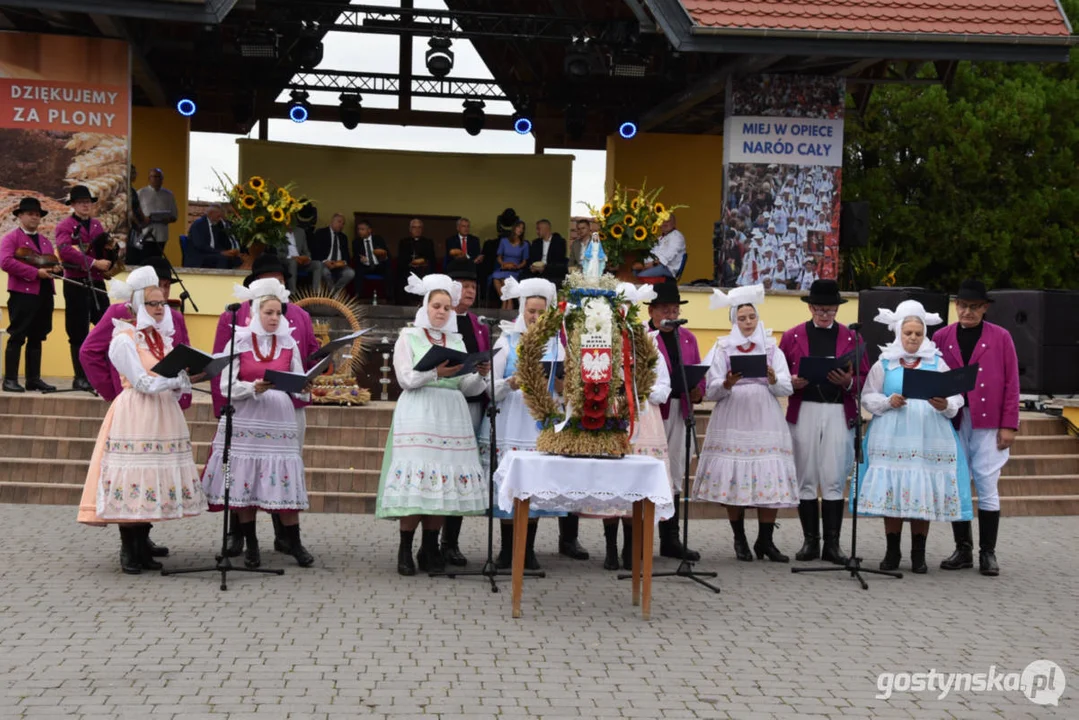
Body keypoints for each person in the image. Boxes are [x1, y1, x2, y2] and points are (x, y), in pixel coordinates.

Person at [76, 281, 206, 573]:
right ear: (136, 305)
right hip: (136, 410)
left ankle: (143, 545)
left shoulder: (160, 338)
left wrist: (187, 379)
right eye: (153, 304)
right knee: (133, 475)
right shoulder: (124, 338)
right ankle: (128, 548)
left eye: (163, 303)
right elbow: (142, 382)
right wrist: (176, 381)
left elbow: (167, 382)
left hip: (162, 411)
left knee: (153, 476)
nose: (160, 309)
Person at [376, 273, 490, 575]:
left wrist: (479, 373)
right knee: (418, 481)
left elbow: (469, 388)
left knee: (441, 483)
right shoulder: (408, 336)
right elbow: (406, 379)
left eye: (446, 307)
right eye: (436, 306)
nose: (441, 311)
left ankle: (429, 549)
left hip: (452, 414)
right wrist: (437, 373)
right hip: (419, 411)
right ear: (425, 306)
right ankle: (404, 549)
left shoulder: (457, 339)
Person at [211, 255, 320, 565]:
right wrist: (251, 388)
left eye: (278, 312)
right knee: (244, 477)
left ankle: (293, 542)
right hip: (247, 415)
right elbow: (225, 385)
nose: (274, 318)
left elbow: (298, 379)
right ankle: (251, 543)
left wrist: (305, 387)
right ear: (255, 312)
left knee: (281, 475)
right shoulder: (240, 342)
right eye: (268, 312)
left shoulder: (288, 343)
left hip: (279, 418)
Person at [854, 301, 972, 574]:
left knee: (922, 490)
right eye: (908, 333)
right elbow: (868, 395)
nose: (913, 338)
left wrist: (946, 405)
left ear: (924, 334)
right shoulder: (885, 362)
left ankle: (918, 554)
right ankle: (892, 552)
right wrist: (887, 401)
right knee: (893, 490)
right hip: (892, 433)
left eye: (918, 333)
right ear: (898, 332)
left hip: (927, 435)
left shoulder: (937, 362)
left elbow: (956, 395)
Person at [696, 285, 798, 562]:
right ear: (734, 320)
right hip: (733, 413)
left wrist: (773, 378)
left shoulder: (771, 345)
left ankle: (765, 540)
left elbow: (786, 387)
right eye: (742, 318)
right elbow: (709, 389)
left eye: (751, 316)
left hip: (764, 414)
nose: (748, 322)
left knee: (769, 473)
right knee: (734, 476)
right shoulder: (722, 346)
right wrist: (726, 383)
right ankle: (739, 538)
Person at [780, 279, 870, 565]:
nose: (824, 314)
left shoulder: (851, 338)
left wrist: (848, 381)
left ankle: (832, 544)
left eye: (829, 309)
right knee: (805, 475)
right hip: (804, 407)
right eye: (819, 308)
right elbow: (780, 375)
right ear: (809, 307)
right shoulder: (792, 336)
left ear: (837, 309)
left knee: (833, 476)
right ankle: (810, 542)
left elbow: (867, 378)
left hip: (836, 410)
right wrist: (791, 383)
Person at [933, 279, 1020, 576]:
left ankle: (988, 553)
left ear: (984, 308)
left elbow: (1012, 383)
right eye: (962, 306)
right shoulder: (942, 336)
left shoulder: (1001, 337)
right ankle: (963, 549)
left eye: (974, 307)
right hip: (954, 418)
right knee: (958, 483)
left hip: (988, 421)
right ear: (955, 306)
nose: (967, 312)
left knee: (986, 484)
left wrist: (1009, 424)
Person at [481, 277, 565, 570]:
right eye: (531, 311)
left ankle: (528, 550)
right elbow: (489, 385)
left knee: (536, 485)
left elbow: (564, 387)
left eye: (542, 312)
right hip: (512, 419)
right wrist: (510, 383)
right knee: (511, 485)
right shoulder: (506, 340)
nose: (535, 317)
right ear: (521, 309)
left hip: (541, 421)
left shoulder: (556, 345)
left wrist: (564, 386)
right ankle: (507, 551)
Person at [599, 283, 671, 571]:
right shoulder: (601, 337)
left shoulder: (648, 341)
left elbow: (664, 384)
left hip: (643, 418)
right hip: (610, 414)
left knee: (635, 484)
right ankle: (610, 548)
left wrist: (641, 389)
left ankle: (631, 548)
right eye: (619, 308)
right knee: (610, 482)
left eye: (629, 308)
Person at [438, 258, 491, 565]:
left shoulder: (478, 324)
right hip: (445, 403)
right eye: (465, 286)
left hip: (472, 404)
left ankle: (451, 541)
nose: (470, 292)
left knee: (461, 472)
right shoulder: (441, 319)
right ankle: (433, 540)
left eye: (473, 286)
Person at [646, 281, 703, 561]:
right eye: (665, 308)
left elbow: (698, 371)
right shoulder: (642, 336)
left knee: (677, 472)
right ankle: (641, 539)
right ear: (652, 310)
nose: (671, 313)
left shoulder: (689, 337)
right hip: (654, 412)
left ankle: (671, 539)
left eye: (675, 308)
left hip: (681, 409)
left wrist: (697, 390)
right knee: (652, 470)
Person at [55, 185, 113, 392]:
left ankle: (104, 374)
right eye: (81, 202)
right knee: (78, 330)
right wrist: (93, 262)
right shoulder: (65, 226)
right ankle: (80, 377)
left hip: (96, 282)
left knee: (105, 327)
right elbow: (65, 252)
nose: (85, 205)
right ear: (73, 205)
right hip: (76, 283)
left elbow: (103, 250)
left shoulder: (97, 226)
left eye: (88, 202)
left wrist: (109, 261)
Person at [1, 198, 58, 393]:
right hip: (22, 293)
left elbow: (50, 263)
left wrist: (56, 269)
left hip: (44, 293)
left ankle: (33, 379)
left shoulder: (44, 241)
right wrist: (35, 273)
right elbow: (6, 262)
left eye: (37, 214)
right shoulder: (11, 238)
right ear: (20, 216)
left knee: (37, 336)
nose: (35, 217)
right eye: (30, 213)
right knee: (18, 335)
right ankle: (9, 379)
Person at [136, 168, 178, 258]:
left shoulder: (168, 195)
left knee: (157, 260)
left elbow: (174, 216)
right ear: (149, 178)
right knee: (144, 260)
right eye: (154, 177)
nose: (157, 179)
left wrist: (169, 219)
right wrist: (143, 220)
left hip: (161, 234)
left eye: (159, 177)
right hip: (145, 233)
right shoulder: (141, 193)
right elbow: (134, 212)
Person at [185, 204, 242, 269]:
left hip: (211, 254)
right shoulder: (199, 224)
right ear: (211, 213)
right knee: (223, 259)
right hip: (199, 256)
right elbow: (200, 245)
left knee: (235, 259)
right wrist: (221, 252)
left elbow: (218, 244)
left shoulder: (215, 225)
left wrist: (228, 252)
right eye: (218, 216)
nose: (220, 219)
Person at [311, 213, 355, 295]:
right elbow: (315, 252)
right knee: (325, 272)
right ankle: (335, 294)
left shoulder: (343, 237)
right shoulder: (321, 233)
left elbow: (347, 256)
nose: (341, 225)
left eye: (343, 223)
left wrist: (341, 263)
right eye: (339, 222)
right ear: (332, 222)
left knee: (350, 273)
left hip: (339, 265)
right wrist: (325, 261)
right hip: (324, 264)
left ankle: (333, 292)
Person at [490, 220, 529, 309]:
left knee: (505, 279)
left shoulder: (525, 244)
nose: (520, 230)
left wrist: (517, 266)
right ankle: (505, 299)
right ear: (514, 228)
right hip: (504, 267)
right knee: (495, 277)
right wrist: (503, 264)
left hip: (515, 269)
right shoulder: (504, 241)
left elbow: (524, 261)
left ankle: (509, 300)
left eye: (522, 228)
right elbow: (499, 257)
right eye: (518, 227)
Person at [396, 218, 437, 300]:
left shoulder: (428, 242)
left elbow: (432, 258)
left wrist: (423, 262)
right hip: (408, 268)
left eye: (419, 227)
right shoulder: (404, 242)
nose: (417, 230)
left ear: (422, 229)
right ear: (410, 229)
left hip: (424, 269)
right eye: (414, 227)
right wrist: (411, 263)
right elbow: (401, 258)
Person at [636, 214, 686, 280]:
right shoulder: (659, 239)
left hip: (666, 270)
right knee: (630, 273)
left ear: (674, 223)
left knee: (638, 277)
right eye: (662, 221)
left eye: (667, 221)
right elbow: (650, 256)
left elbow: (664, 260)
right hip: (654, 267)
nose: (664, 224)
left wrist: (644, 266)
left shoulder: (677, 237)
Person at [352, 219, 391, 300]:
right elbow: (355, 257)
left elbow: (387, 254)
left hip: (378, 265)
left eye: (362, 229)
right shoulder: (356, 242)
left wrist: (383, 256)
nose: (360, 231)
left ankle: (389, 296)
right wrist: (361, 260)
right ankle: (358, 296)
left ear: (369, 230)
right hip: (365, 266)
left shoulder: (378, 239)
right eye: (358, 229)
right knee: (358, 269)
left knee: (388, 269)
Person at [525, 219, 568, 286]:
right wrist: (531, 267)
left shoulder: (559, 242)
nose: (537, 232)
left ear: (546, 229)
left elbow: (559, 261)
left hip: (551, 271)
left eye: (538, 229)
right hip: (536, 272)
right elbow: (531, 259)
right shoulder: (535, 242)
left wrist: (545, 268)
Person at [283, 222, 321, 295]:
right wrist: (293, 258)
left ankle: (315, 294)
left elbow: (306, 250)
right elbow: (279, 253)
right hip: (286, 261)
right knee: (293, 262)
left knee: (317, 264)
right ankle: (292, 293)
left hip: (300, 261)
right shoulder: (279, 232)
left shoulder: (300, 231)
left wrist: (307, 258)